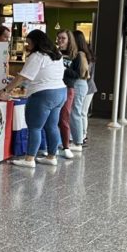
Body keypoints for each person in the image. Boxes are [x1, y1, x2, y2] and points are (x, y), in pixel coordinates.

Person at [0, 30, 66, 168]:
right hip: (60, 92)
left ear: (36, 42)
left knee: (34, 127)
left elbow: (23, 77)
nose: (27, 46)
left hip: (44, 94)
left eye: (29, 43)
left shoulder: (37, 56)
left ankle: (29, 159)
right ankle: (52, 157)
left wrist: (5, 90)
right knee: (52, 126)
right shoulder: (57, 55)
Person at [55, 30, 78, 159]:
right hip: (54, 88)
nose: (60, 41)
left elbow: (77, 75)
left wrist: (64, 69)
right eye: (58, 38)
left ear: (69, 40)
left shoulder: (76, 55)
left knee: (64, 117)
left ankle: (66, 146)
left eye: (63, 38)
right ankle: (53, 145)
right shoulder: (55, 53)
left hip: (68, 88)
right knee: (52, 118)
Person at [69, 31, 92, 152]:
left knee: (76, 113)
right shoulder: (83, 54)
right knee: (78, 113)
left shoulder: (80, 54)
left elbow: (81, 74)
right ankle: (78, 138)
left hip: (79, 84)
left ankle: (78, 141)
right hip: (82, 85)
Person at [72, 30, 96, 146]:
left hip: (86, 87)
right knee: (81, 113)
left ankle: (81, 136)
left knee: (80, 113)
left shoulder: (81, 55)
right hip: (89, 87)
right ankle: (81, 136)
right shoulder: (86, 53)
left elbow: (85, 74)